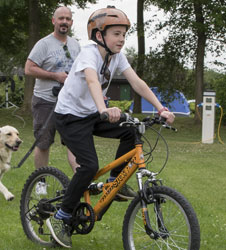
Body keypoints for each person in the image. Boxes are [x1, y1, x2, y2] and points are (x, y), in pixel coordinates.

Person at [48, 6, 175, 248]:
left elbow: (136, 82)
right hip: (70, 116)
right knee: (89, 166)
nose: (121, 39)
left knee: (132, 130)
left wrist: (161, 109)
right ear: (99, 35)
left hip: (92, 113)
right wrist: (104, 109)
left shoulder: (116, 56)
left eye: (124, 34)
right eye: (116, 34)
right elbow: (93, 80)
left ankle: (115, 183)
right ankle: (62, 216)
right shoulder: (89, 53)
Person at [25, 6, 80, 173]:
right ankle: (40, 181)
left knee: (74, 142)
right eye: (61, 18)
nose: (64, 22)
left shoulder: (76, 45)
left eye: (68, 19)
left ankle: (81, 180)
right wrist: (55, 76)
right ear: (53, 21)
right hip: (45, 102)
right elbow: (29, 69)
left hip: (69, 103)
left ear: (71, 22)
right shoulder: (44, 44)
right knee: (43, 143)